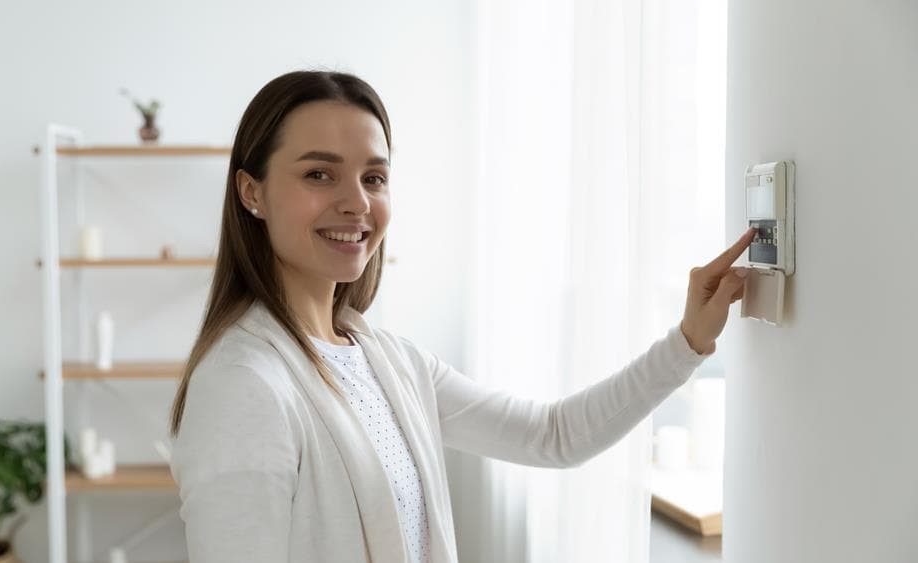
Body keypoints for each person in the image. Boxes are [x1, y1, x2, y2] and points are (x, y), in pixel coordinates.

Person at [167, 70, 755, 563]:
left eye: (374, 177)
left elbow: (553, 435)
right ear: (252, 192)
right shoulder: (244, 385)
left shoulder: (386, 360)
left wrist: (688, 343)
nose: (357, 201)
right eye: (319, 174)